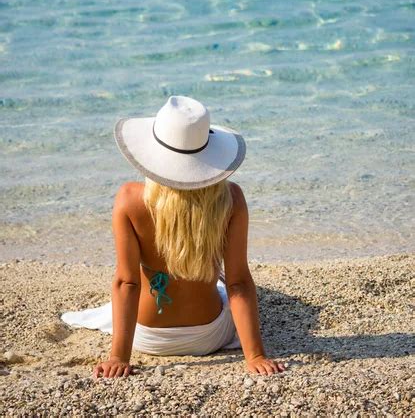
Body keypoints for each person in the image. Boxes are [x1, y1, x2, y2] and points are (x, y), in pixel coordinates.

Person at [61, 95, 285, 378]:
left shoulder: (129, 200)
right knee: (228, 284)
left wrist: (118, 356)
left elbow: (126, 282)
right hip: (209, 336)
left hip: (145, 337)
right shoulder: (231, 199)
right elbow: (239, 282)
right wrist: (255, 355)